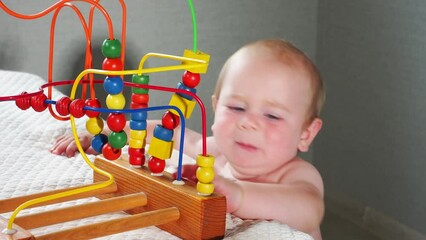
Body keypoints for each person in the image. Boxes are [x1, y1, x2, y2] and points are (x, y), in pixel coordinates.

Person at [50, 39, 325, 240]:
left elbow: (308, 209)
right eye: (237, 108)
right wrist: (106, 132)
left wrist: (239, 194)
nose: (247, 122)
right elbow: (171, 133)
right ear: (216, 107)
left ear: (306, 134)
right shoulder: (215, 151)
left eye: (273, 116)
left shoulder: (297, 176)